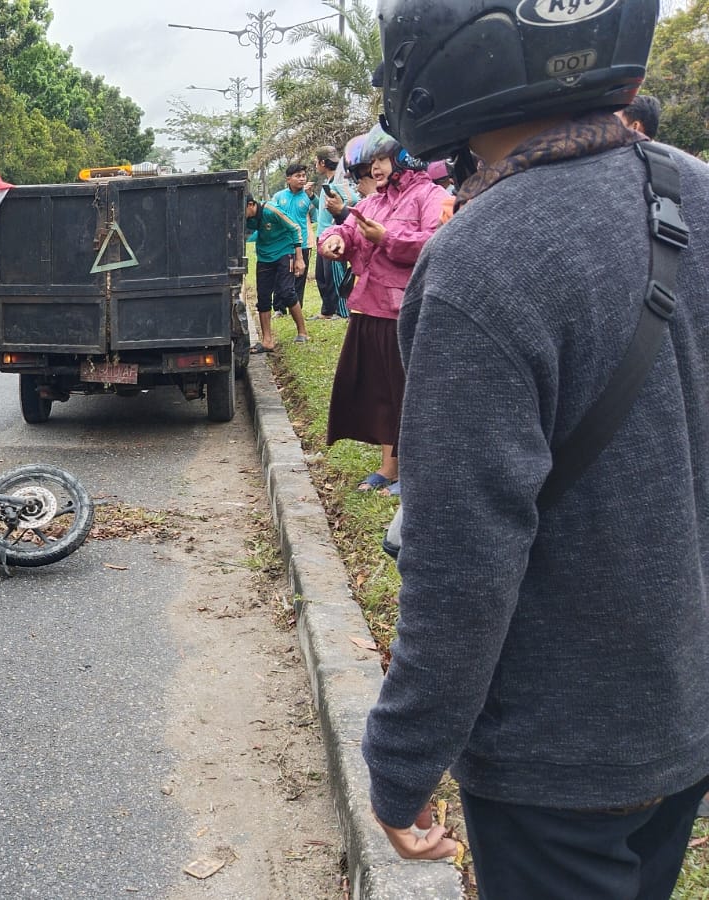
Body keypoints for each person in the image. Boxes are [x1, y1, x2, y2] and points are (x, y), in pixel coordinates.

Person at [364, 4, 709, 898]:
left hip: (557, 750)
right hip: (686, 709)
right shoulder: (695, 192)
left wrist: (401, 764)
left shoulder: (482, 259)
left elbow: (462, 557)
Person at [318, 124, 449, 498]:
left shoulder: (431, 195)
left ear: (405, 157)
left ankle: (416, 473)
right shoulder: (373, 200)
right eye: (371, 162)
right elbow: (345, 229)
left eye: (381, 160)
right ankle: (389, 467)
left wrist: (387, 239)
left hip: (408, 311)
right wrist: (332, 242)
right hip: (369, 308)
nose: (374, 169)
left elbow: (437, 243)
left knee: (410, 393)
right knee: (381, 393)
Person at [244, 193, 307, 353]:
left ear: (251, 204)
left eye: (242, 209)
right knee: (263, 297)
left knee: (287, 292)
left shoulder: (271, 210)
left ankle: (302, 332)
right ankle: (267, 341)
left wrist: (299, 258)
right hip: (264, 256)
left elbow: (295, 228)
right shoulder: (246, 219)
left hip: (284, 252)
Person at [312, 146, 355, 319]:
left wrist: (339, 214)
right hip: (321, 235)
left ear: (323, 162)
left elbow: (353, 199)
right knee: (322, 277)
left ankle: (342, 311)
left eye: (316, 161)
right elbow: (322, 209)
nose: (315, 165)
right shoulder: (327, 184)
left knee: (336, 275)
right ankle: (327, 310)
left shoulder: (338, 183)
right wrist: (311, 198)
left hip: (334, 236)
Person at [272, 163, 320, 308]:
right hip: (282, 243)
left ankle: (297, 305)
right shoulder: (279, 196)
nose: (302, 179)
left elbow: (321, 209)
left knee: (300, 275)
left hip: (303, 242)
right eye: (298, 176)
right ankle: (279, 307)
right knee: (281, 274)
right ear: (288, 179)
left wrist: (311, 195)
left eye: (303, 176)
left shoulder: (308, 196)